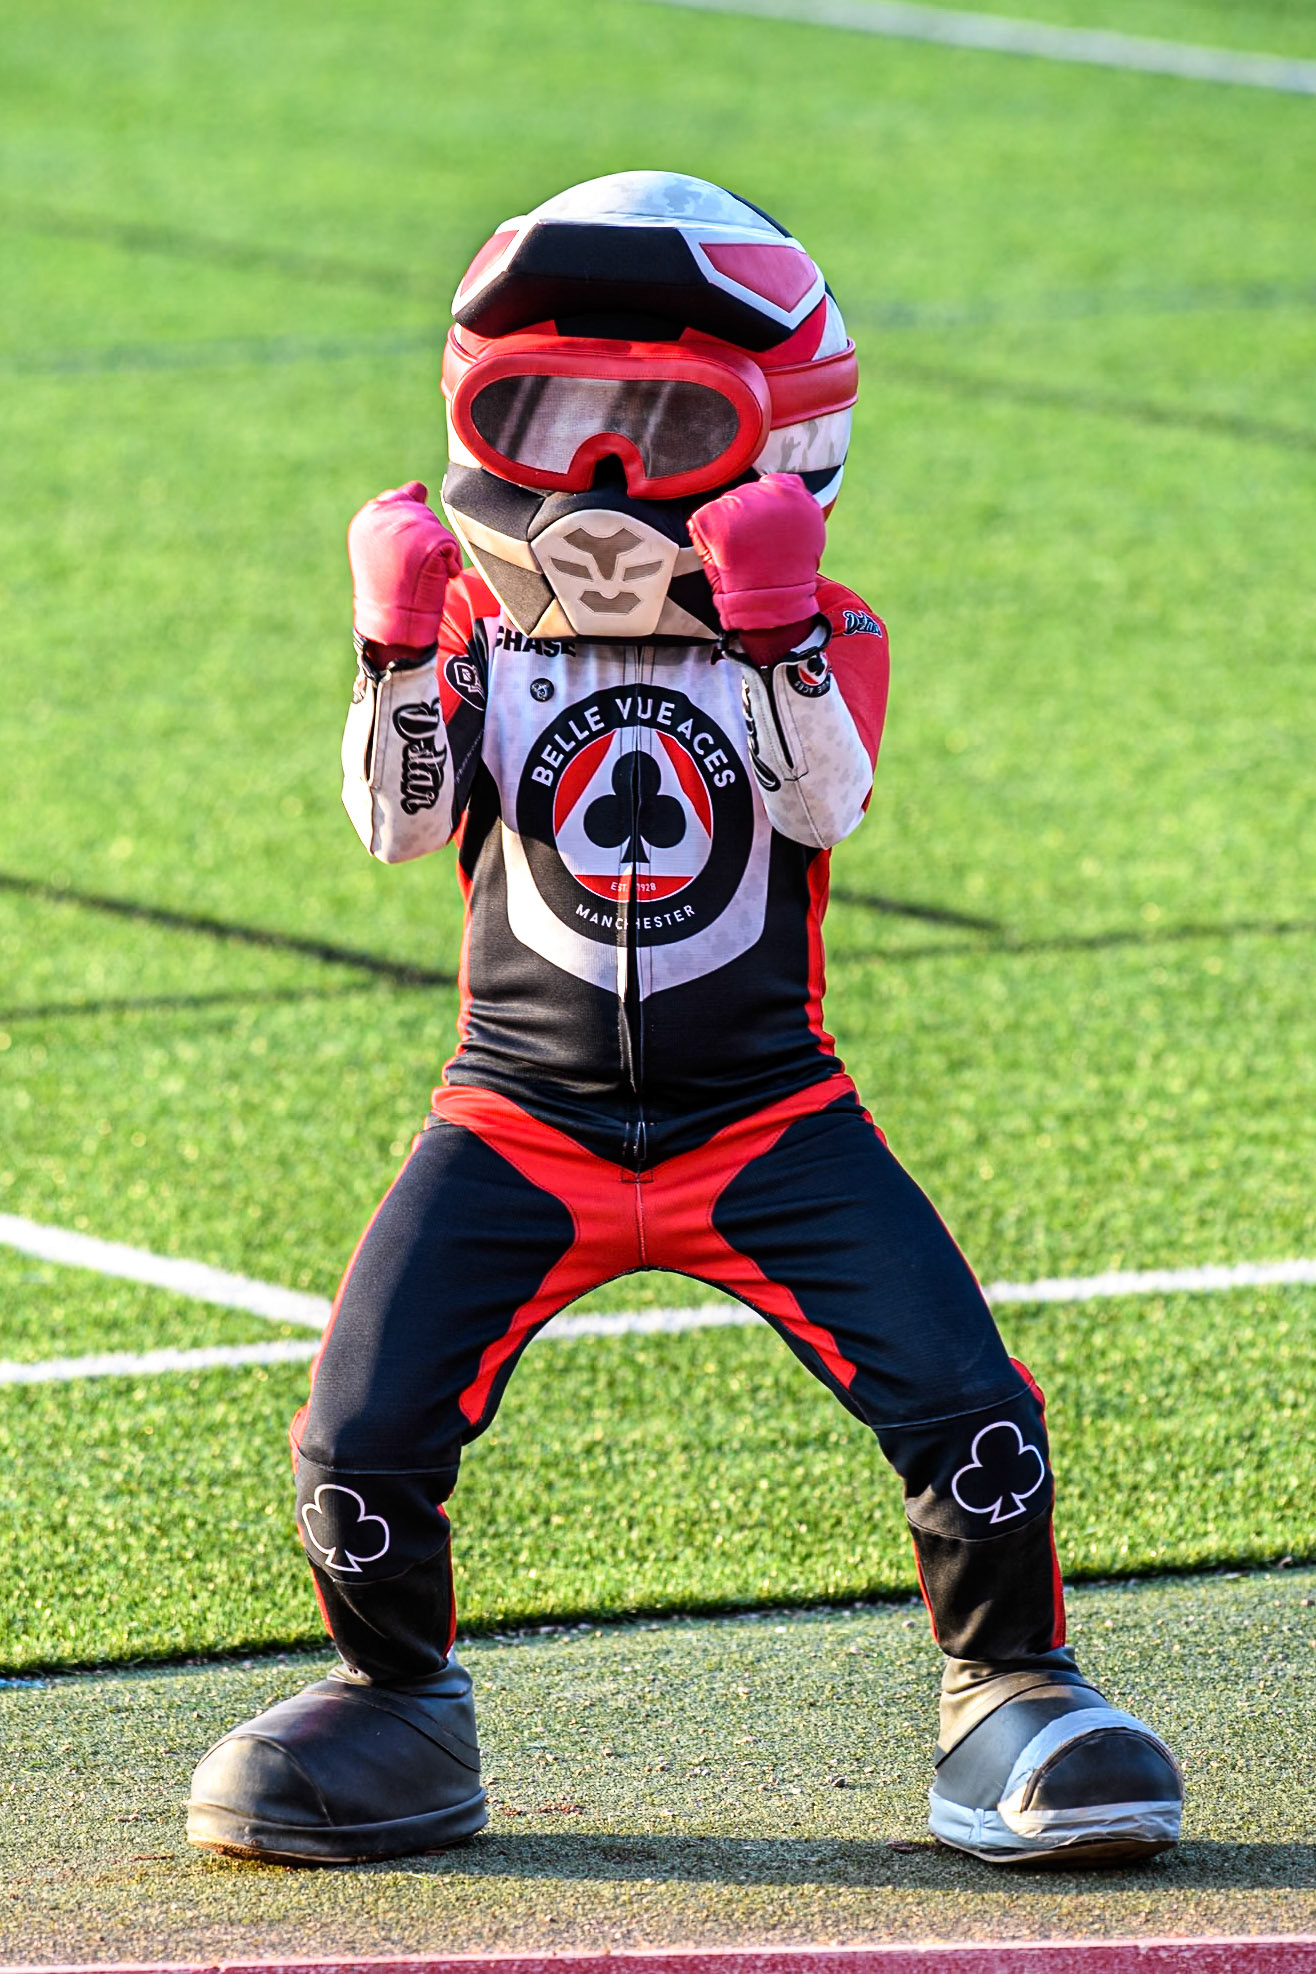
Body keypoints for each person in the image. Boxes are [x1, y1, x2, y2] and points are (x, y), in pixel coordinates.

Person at [187, 171, 1182, 1867]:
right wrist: (389, 651)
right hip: (516, 1115)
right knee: (356, 1436)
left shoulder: (822, 631)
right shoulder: (479, 635)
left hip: (767, 1118)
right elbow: (402, 824)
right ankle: (397, 1702)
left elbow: (826, 802)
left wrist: (780, 623)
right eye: (551, 415)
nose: (595, 476)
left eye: (651, 421)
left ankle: (1012, 1689)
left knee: (971, 1406)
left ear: (779, 439)